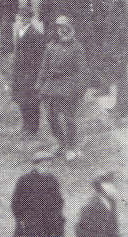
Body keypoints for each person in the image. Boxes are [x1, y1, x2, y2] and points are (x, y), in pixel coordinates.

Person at [36, 15, 87, 161]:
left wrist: (79, 90)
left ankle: (70, 147)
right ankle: (61, 143)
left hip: (68, 87)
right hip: (51, 87)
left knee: (68, 118)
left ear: (71, 28)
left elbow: (82, 71)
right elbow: (44, 67)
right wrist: (39, 84)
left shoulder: (77, 48)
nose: (62, 31)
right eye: (59, 27)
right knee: (51, 117)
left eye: (65, 27)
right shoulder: (52, 46)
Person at [12, 4, 47, 136]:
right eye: (20, 16)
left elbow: (39, 58)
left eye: (25, 17)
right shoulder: (19, 31)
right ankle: (25, 125)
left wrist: (37, 75)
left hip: (30, 74)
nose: (22, 19)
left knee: (32, 102)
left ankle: (33, 128)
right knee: (22, 100)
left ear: (30, 18)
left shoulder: (36, 34)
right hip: (19, 72)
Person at [11, 157, 65, 237]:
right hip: (29, 225)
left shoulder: (52, 181)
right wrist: (23, 220)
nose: (46, 169)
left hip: (49, 226)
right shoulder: (25, 180)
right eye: (43, 166)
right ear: (35, 165)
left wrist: (57, 221)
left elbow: (58, 202)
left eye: (48, 166)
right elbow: (16, 204)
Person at [75, 170, 120, 237]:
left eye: (112, 182)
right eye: (108, 183)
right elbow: (81, 230)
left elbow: (113, 230)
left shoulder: (112, 203)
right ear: (101, 187)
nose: (113, 186)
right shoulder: (90, 206)